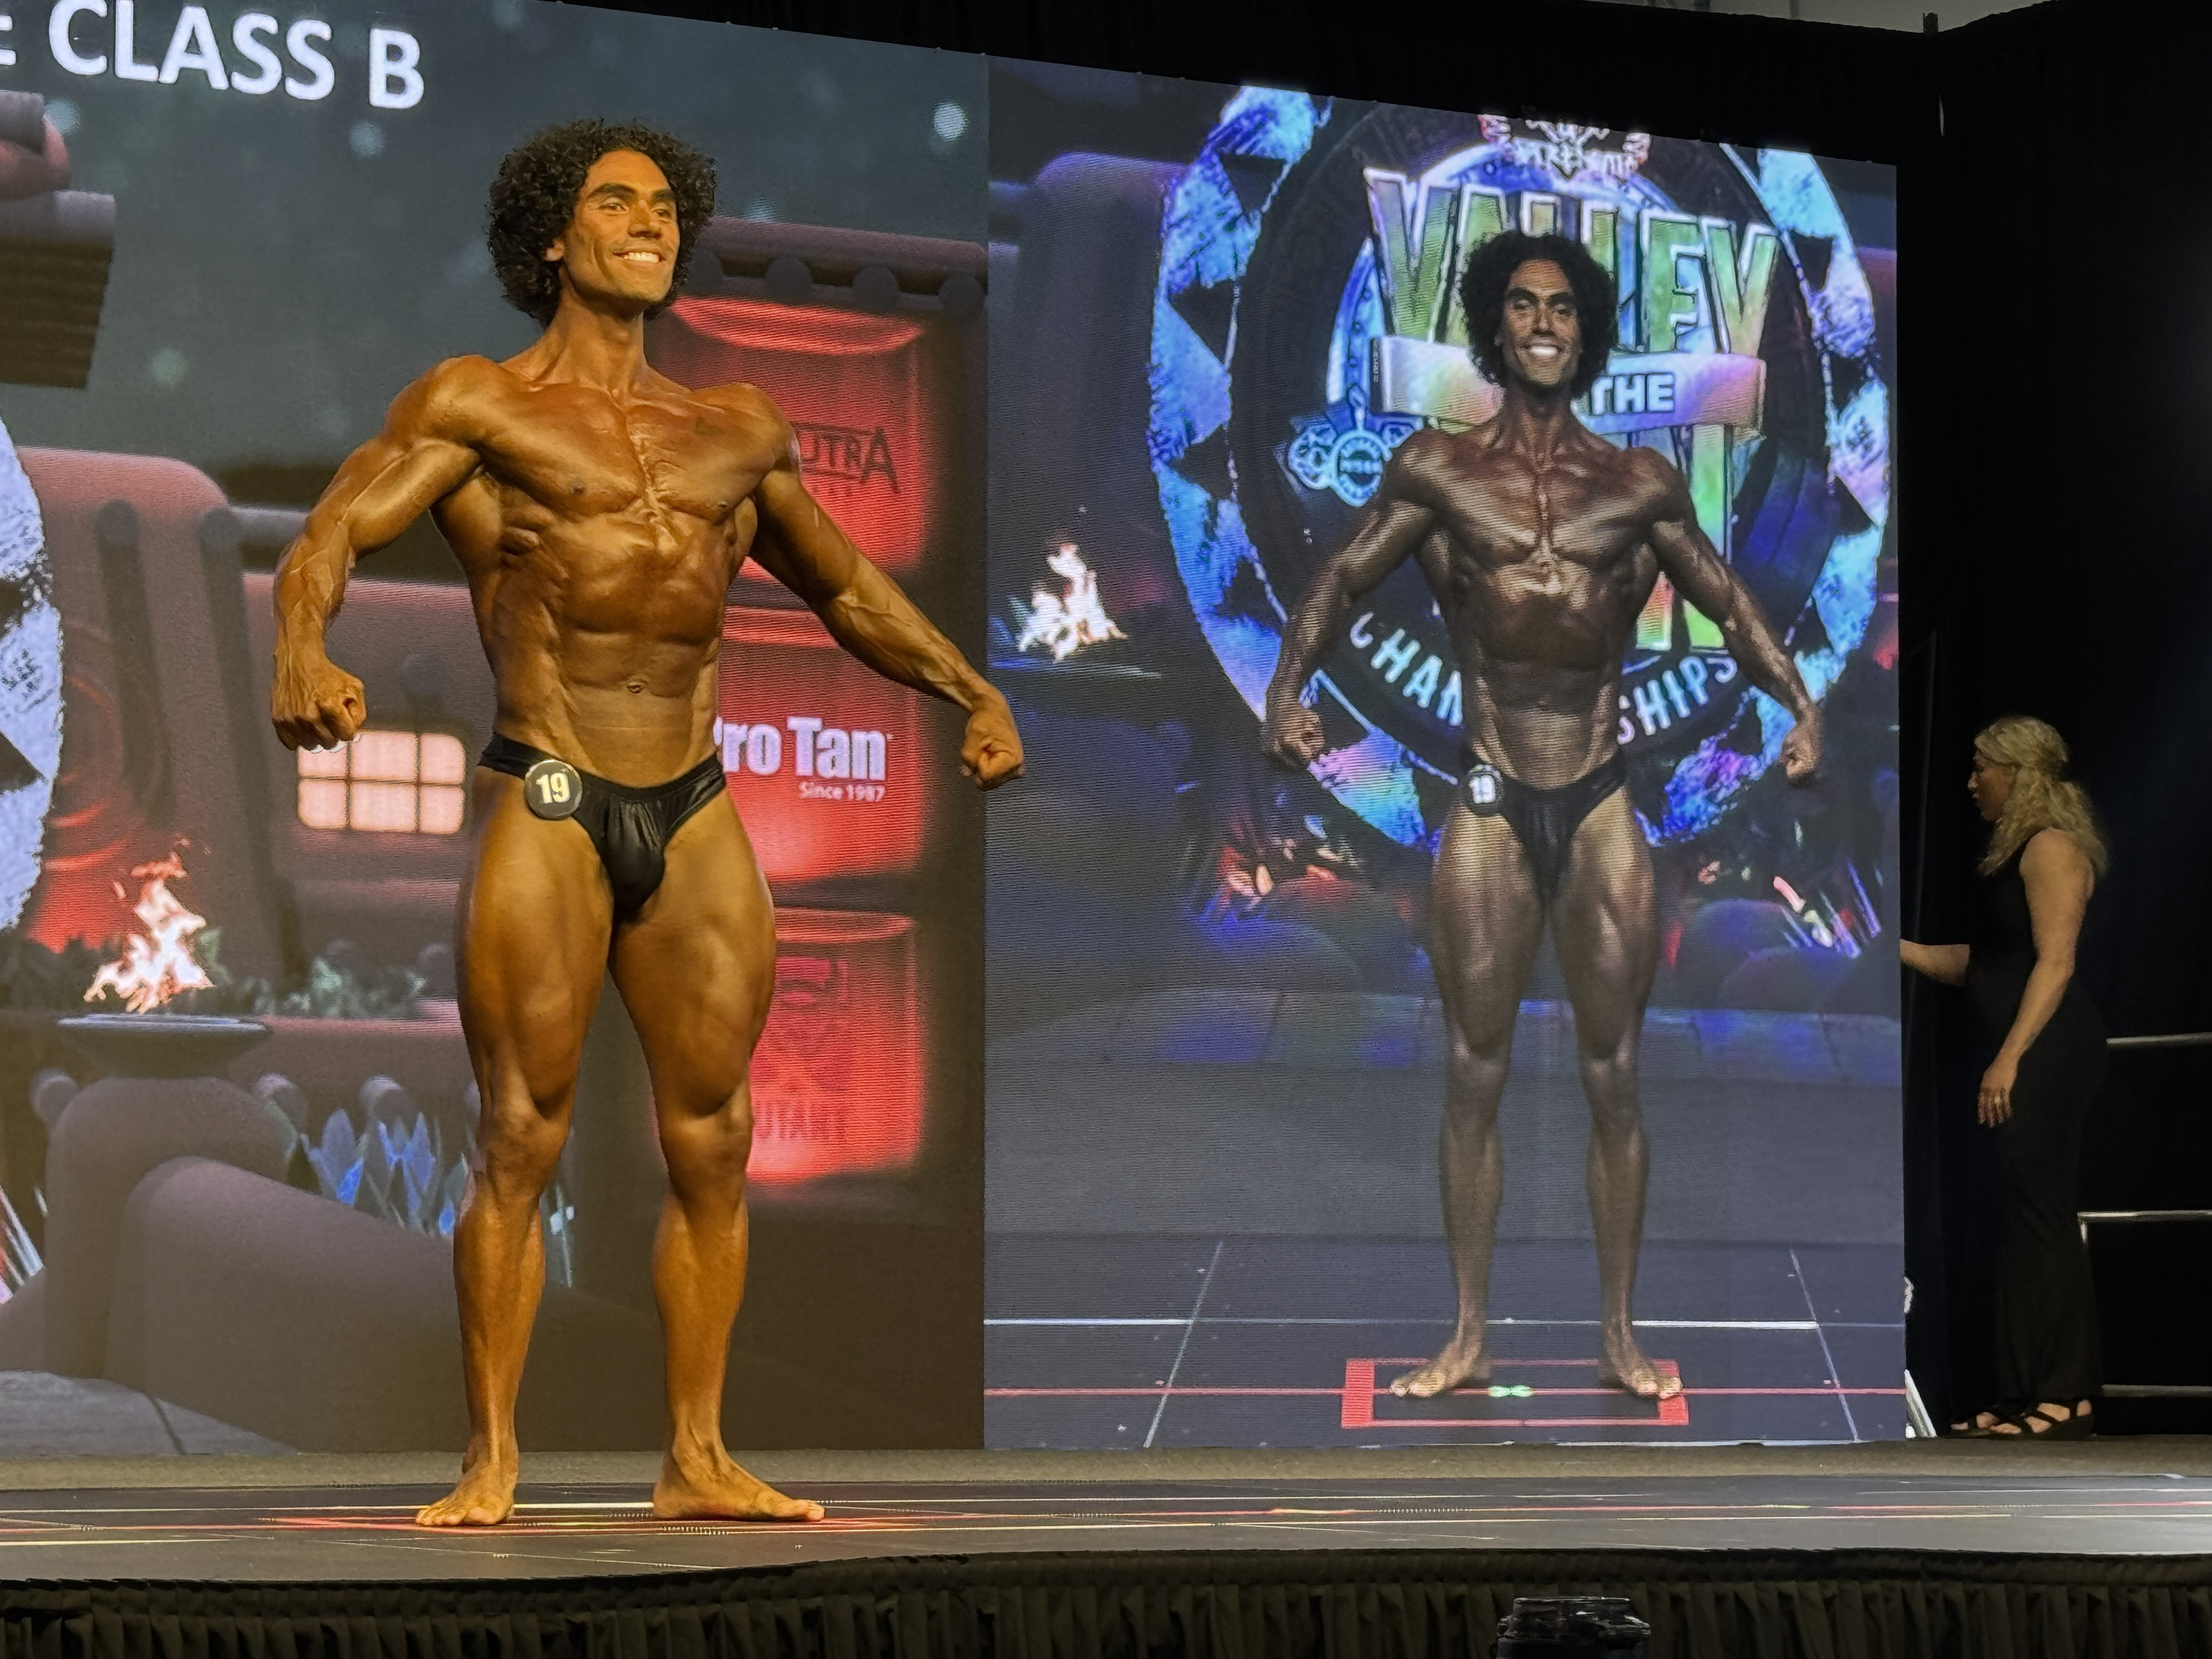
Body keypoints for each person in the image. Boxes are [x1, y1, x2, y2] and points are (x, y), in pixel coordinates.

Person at [269, 121, 1023, 1526]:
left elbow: (845, 587)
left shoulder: (734, 427)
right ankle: (493, 1457)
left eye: (667, 206)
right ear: (553, 238)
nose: (650, 222)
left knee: (717, 1139)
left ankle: (696, 1457)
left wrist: (970, 690)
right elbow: (333, 529)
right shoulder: (480, 404)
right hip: (551, 788)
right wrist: (302, 651)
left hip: (694, 801)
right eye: (617, 202)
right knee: (521, 1133)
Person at [1260, 230, 1820, 1401]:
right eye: (1522, 306)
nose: (1545, 323)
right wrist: (1286, 690)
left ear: (1587, 330)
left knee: (1615, 1076)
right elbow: (1342, 578)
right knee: (1475, 1072)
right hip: (1492, 794)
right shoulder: (1439, 471)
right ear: (1495, 327)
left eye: (1563, 307)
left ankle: (1619, 1334)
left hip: (1601, 795)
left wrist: (1802, 706)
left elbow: (1728, 601)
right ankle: (1468, 1335)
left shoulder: (1639, 484)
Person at [1903, 716, 2106, 1438]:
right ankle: (2021, 1391)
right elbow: (1984, 964)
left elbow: (2056, 961)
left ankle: (2068, 1394)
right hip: (2018, 1052)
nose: (1971, 782)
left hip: (2047, 1052)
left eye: (1981, 767)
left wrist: (2010, 1057)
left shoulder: (2051, 847)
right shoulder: (2012, 854)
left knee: (2042, 1215)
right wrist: (1899, 950)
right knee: (2014, 1220)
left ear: (2017, 772)